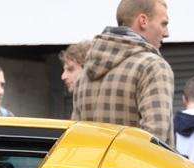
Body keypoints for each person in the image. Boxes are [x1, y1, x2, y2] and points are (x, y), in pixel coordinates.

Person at [71, 0, 175, 146]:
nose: (166, 33)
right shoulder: (152, 66)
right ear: (143, 21)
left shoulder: (84, 75)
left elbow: (75, 137)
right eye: (163, 24)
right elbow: (155, 141)